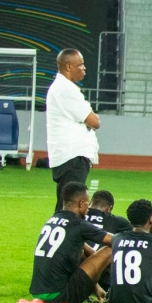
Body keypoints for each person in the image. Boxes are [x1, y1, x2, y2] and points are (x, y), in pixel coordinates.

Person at [21, 182, 113, 303]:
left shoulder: (52, 219)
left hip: (38, 293)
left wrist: (95, 285)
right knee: (110, 250)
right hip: (59, 296)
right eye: (87, 203)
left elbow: (86, 253)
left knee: (82, 251)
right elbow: (115, 241)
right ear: (81, 203)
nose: (88, 208)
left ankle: (101, 289)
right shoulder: (78, 224)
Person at [46, 49, 100, 212]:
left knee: (66, 205)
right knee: (70, 208)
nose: (84, 68)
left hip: (69, 157)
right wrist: (90, 120)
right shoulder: (66, 90)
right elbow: (94, 121)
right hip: (72, 158)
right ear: (68, 66)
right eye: (81, 64)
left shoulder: (63, 88)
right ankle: (59, 235)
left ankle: (58, 235)